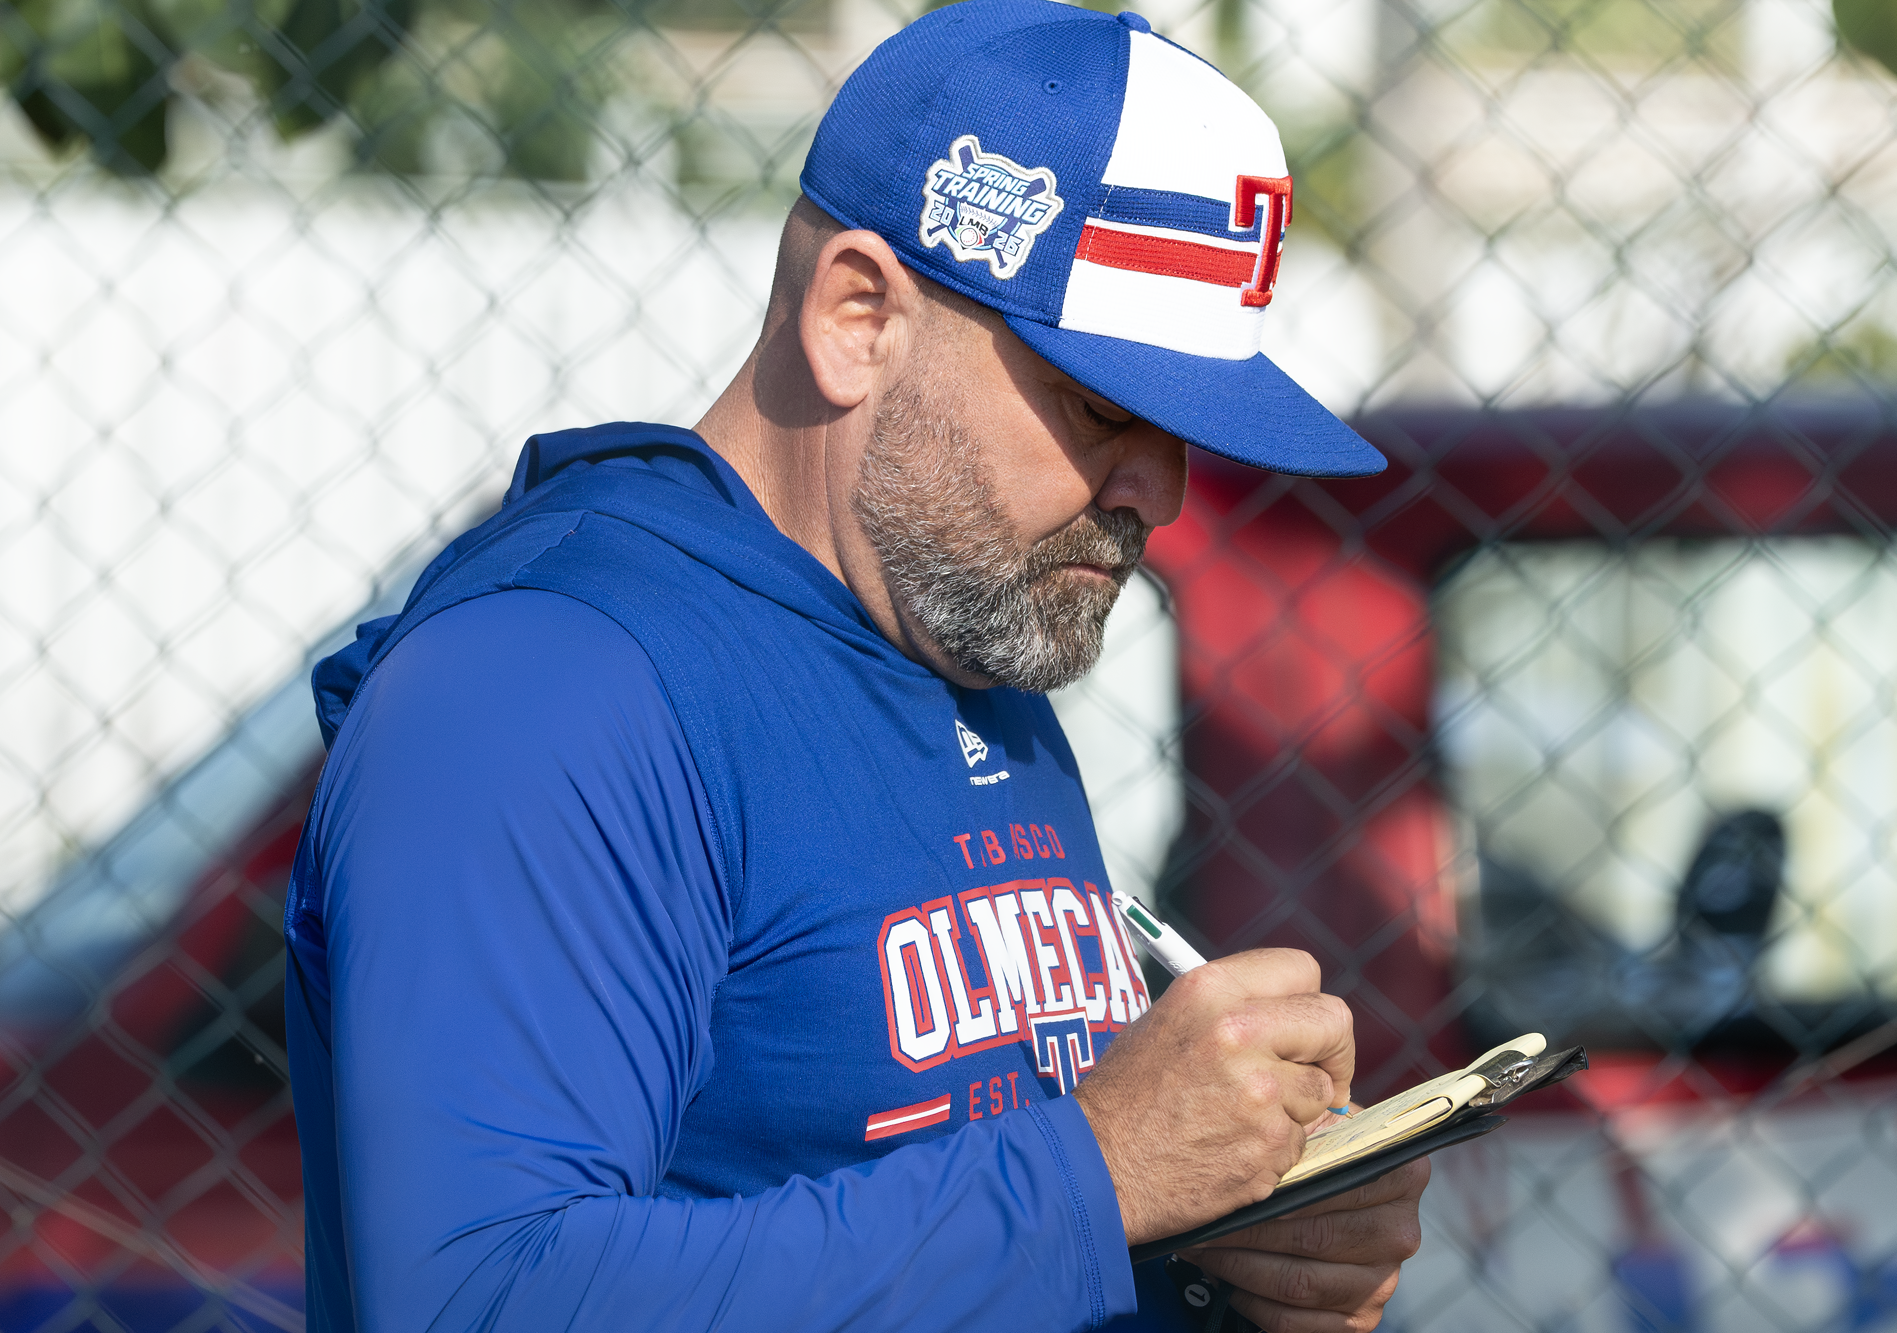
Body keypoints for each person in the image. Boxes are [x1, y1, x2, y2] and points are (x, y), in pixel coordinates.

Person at [284, 3, 1429, 1329]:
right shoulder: (541, 689)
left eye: (1186, 433)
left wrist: (1233, 1246)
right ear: (856, 317)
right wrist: (1100, 1177)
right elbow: (477, 1298)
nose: (1157, 493)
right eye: (1105, 408)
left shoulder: (961, 637)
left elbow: (971, 1217)